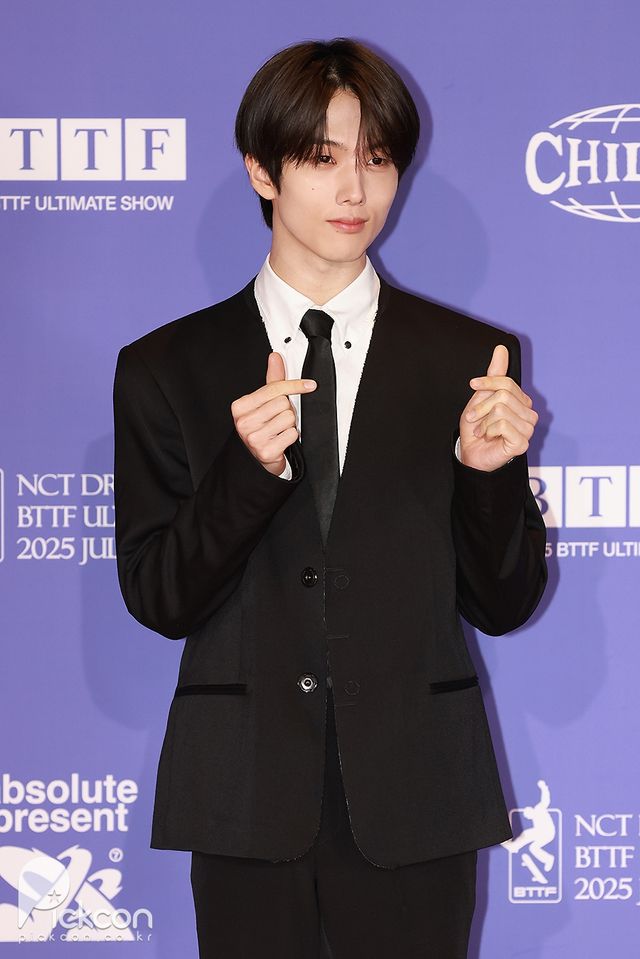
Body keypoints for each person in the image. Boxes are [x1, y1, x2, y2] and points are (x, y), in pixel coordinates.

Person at [112, 37, 547, 959]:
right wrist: (247, 473)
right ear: (262, 171)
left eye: (377, 159)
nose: (355, 190)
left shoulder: (468, 360)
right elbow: (159, 598)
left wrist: (487, 474)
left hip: (416, 793)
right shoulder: (165, 366)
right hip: (244, 789)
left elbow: (504, 602)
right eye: (321, 158)